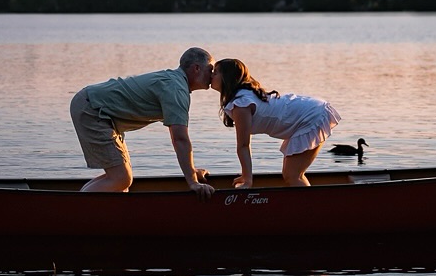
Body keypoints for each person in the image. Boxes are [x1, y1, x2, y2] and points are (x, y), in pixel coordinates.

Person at [70, 46, 215, 198]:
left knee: (122, 180)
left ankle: (85, 207)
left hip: (95, 107)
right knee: (121, 179)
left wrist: (192, 171)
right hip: (92, 108)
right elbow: (179, 139)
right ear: (196, 68)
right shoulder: (176, 89)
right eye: (210, 69)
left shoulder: (175, 83)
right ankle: (76, 209)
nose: (212, 75)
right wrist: (193, 182)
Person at [212, 58, 341, 188]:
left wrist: (247, 180)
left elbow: (244, 145)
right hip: (309, 111)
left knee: (292, 175)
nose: (212, 75)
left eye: (215, 72)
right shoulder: (242, 98)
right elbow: (245, 144)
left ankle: (311, 206)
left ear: (227, 78)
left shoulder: (241, 104)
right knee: (292, 174)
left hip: (311, 115)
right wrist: (246, 175)